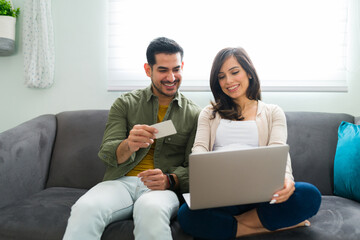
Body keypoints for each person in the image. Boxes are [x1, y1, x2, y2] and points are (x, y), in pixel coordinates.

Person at [62, 37, 201, 240]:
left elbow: (194, 166)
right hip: (120, 182)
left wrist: (170, 180)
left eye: (176, 69)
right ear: (148, 70)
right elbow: (107, 152)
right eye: (163, 70)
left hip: (159, 187)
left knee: (151, 212)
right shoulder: (125, 103)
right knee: (85, 208)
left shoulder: (195, 114)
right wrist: (128, 144)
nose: (171, 77)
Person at [177, 47, 322, 240]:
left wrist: (287, 180)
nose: (228, 81)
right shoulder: (209, 113)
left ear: (249, 73)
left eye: (234, 72)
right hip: (222, 194)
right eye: (221, 77)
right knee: (187, 214)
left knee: (309, 195)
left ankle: (232, 226)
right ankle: (272, 226)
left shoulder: (273, 112)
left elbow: (279, 151)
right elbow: (199, 150)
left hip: (264, 194)